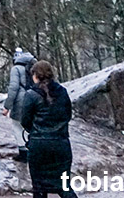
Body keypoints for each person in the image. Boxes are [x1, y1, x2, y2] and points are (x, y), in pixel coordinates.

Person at [20, 60, 79, 198]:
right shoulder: (62, 92)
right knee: (64, 186)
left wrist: (35, 131)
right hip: (61, 144)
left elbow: (25, 120)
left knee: (39, 187)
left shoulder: (31, 95)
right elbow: (68, 115)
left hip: (39, 146)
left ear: (35, 75)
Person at [2, 47, 36, 161]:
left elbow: (13, 88)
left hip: (21, 100)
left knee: (17, 126)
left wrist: (7, 106)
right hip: (35, 98)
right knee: (32, 125)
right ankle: (34, 150)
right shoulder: (34, 67)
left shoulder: (16, 69)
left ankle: (23, 153)